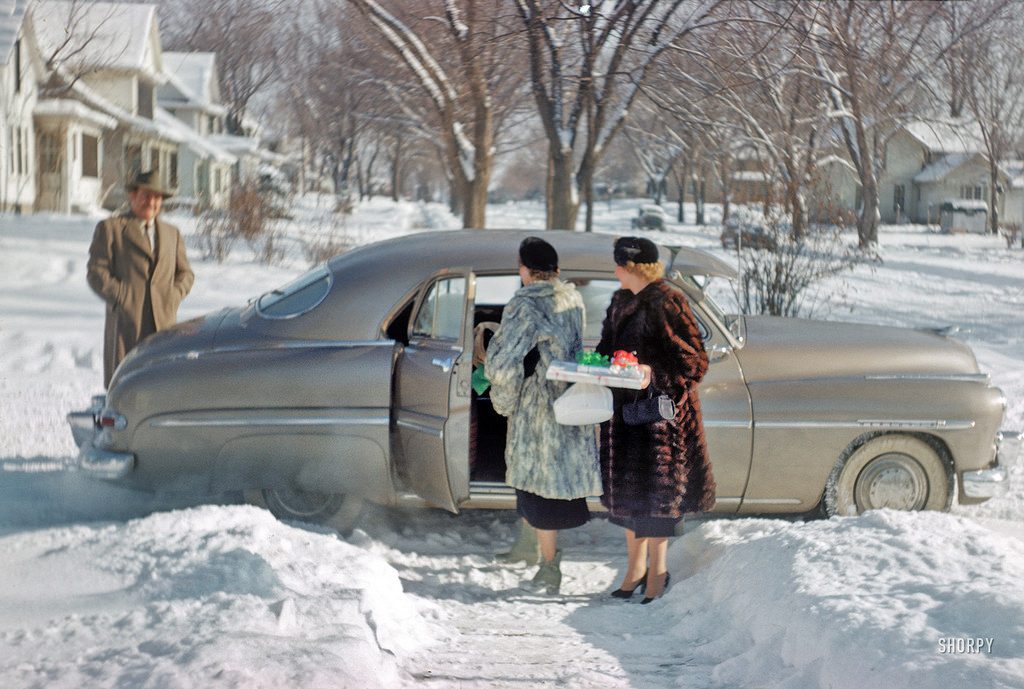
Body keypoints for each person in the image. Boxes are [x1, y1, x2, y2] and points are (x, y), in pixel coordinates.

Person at [596, 236, 716, 603]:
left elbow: (695, 361)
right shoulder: (620, 301)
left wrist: (652, 372)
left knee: (657, 501)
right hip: (624, 417)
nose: (614, 270)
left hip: (659, 422)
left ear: (632, 267)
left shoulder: (668, 301)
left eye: (618, 264)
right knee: (629, 502)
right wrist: (598, 365)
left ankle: (658, 572)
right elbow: (606, 348)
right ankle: (634, 569)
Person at [485, 237, 602, 594]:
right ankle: (530, 547)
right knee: (543, 484)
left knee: (535, 485)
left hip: (537, 406)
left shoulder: (526, 303)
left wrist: (504, 402)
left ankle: (549, 565)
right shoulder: (571, 297)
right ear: (557, 270)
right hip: (568, 399)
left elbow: (503, 361)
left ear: (524, 270)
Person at [87, 170, 195, 388]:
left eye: (156, 197)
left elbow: (186, 274)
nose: (151, 202)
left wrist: (173, 296)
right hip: (127, 327)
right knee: (126, 389)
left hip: (163, 327)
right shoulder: (112, 229)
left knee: (160, 388)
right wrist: (122, 297)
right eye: (146, 195)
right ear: (132, 196)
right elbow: (96, 273)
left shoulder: (172, 233)